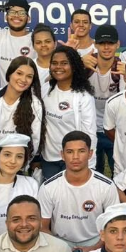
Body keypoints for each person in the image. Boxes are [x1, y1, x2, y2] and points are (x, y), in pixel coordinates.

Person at [38, 131, 118, 251]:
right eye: (70, 152)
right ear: (62, 155)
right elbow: (42, 227)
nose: (75, 157)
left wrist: (94, 248)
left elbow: (114, 225)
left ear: (90, 154)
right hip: (59, 242)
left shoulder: (106, 186)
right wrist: (60, 249)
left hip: (97, 241)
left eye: (81, 151)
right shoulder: (48, 187)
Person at [42, 46, 97, 179]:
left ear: (74, 66)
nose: (58, 67)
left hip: (74, 160)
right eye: (54, 63)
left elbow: (90, 133)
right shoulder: (45, 89)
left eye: (64, 63)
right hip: (49, 158)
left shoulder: (84, 97)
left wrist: (89, 163)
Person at [83, 25, 125, 176]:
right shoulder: (86, 65)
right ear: (95, 44)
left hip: (113, 130)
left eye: (111, 43)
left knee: (119, 174)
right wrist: (78, 63)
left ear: (118, 44)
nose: (106, 47)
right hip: (90, 129)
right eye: (102, 43)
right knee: (93, 173)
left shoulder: (122, 68)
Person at [0, 0, 35, 87]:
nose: (16, 15)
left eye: (21, 13)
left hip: (29, 98)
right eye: (12, 12)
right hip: (2, 98)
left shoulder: (36, 39)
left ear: (28, 18)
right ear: (6, 17)